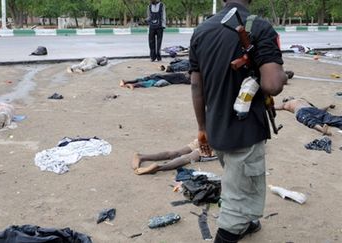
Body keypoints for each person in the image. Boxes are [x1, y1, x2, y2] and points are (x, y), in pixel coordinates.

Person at [189, 0, 287, 242]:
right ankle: (230, 233)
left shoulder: (201, 31)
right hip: (246, 132)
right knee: (239, 196)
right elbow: (272, 85)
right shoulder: (260, 27)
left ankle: (244, 223)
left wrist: (203, 128)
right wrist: (282, 75)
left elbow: (195, 85)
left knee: (237, 184)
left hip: (216, 127)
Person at [131, 139, 217, 175]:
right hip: (217, 144)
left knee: (176, 153)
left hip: (207, 135)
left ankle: (141, 157)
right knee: (188, 158)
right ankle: (159, 168)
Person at [275, 97, 340, 135]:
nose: (289, 96)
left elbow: (318, 109)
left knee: (314, 118)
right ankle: (323, 129)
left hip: (307, 110)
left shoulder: (301, 99)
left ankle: (323, 129)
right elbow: (273, 107)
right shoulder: (287, 103)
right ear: (286, 100)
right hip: (305, 110)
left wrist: (328, 106)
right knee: (312, 119)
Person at [119, 72, 190, 90]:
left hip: (159, 75)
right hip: (162, 78)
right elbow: (189, 81)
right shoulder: (184, 77)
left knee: (145, 79)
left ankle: (126, 81)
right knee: (150, 82)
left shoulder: (182, 75)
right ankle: (133, 85)